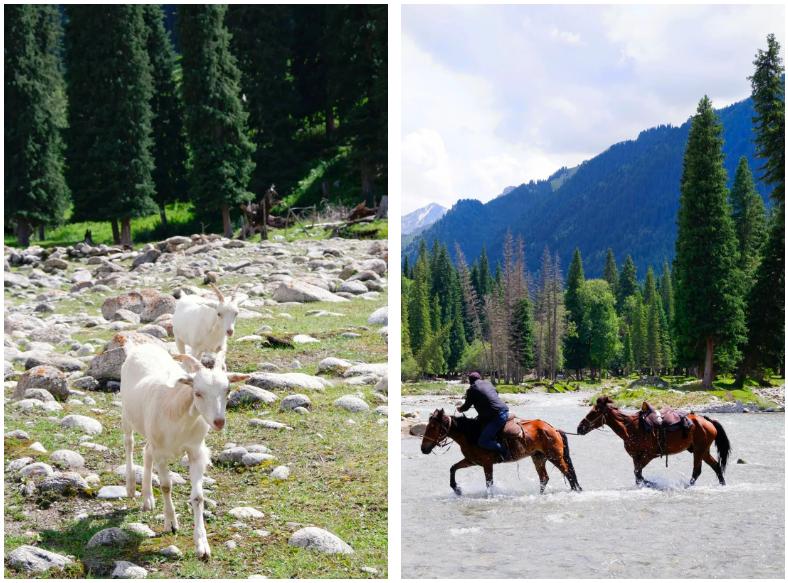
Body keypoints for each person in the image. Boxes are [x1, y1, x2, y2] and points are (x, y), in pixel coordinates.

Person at [456, 372, 511, 460]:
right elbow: (496, 393)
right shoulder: (488, 383)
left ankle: (505, 452)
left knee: (483, 441)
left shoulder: (471, 389)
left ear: (470, 381)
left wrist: (460, 409)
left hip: (497, 416)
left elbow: (466, 407)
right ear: (479, 378)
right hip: (503, 410)